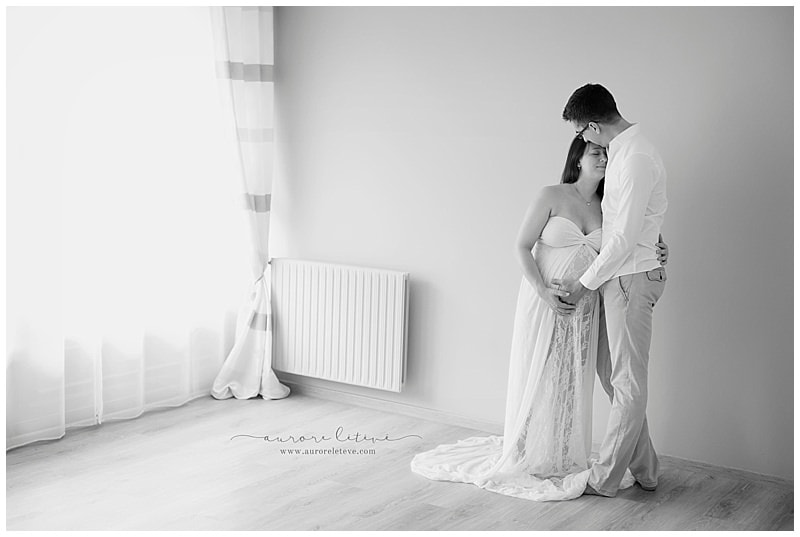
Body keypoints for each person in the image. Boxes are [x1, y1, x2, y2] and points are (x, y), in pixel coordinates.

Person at [409, 135, 668, 502]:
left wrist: (660, 246)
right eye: (596, 152)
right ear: (578, 158)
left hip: (588, 305)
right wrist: (544, 293)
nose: (604, 159)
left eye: (607, 154)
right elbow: (521, 246)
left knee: (577, 382)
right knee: (539, 372)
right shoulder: (551, 195)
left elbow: (631, 237)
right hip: (544, 300)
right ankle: (524, 449)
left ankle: (563, 453)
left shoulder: (608, 204)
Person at [554, 83, 667, 498]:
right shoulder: (625, 154)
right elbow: (635, 224)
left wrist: (582, 285)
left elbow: (624, 238)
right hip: (624, 277)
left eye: (581, 132)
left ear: (592, 126)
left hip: (630, 278)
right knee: (614, 375)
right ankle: (646, 470)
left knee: (628, 382)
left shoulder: (634, 158)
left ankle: (604, 479)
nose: (582, 140)